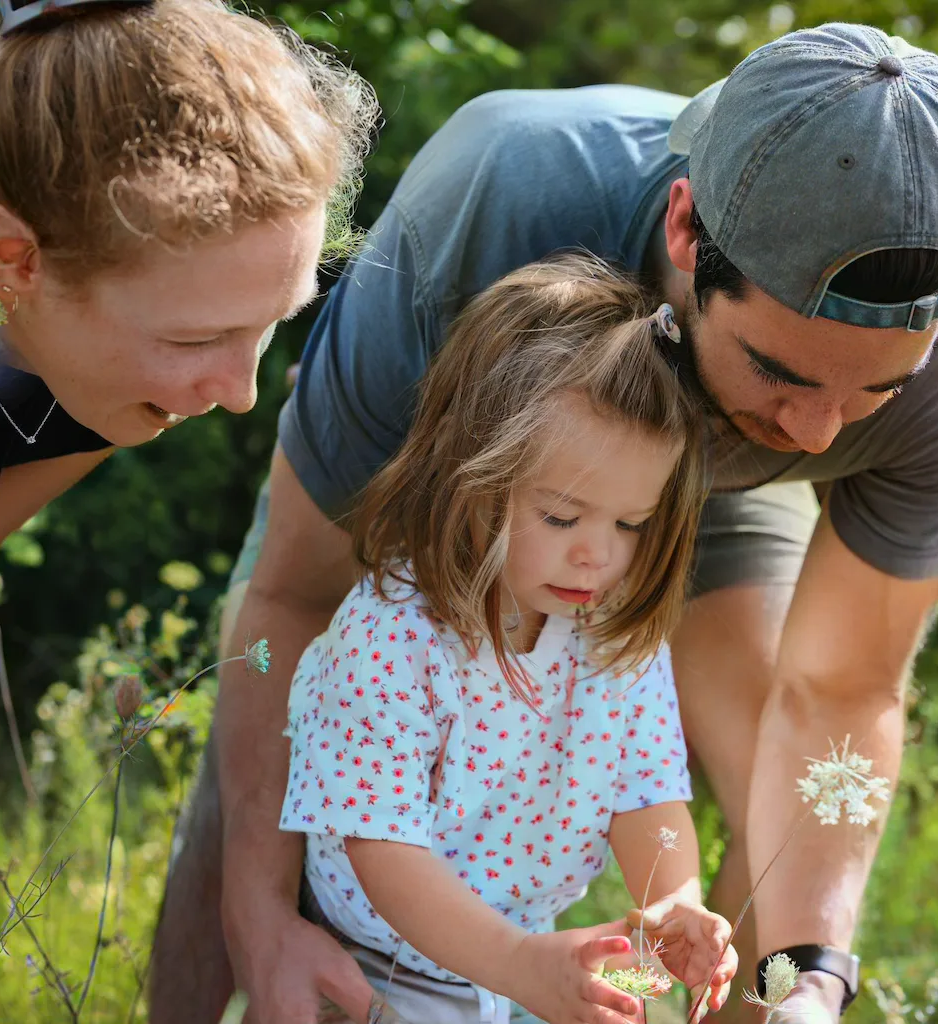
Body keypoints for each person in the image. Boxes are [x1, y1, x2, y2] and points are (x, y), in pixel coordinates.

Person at [152, 22, 938, 1024]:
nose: (814, 438)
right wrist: (258, 913)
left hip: (678, 492)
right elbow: (295, 593)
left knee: (772, 758)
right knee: (260, 813)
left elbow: (839, 690)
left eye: (872, 393)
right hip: (486, 464)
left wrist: (812, 968)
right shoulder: (497, 204)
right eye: (782, 370)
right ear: (685, 230)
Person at [279, 255, 737, 1024]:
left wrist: (672, 902)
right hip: (379, 966)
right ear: (471, 477)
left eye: (631, 523)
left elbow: (645, 792)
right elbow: (383, 850)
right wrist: (520, 967)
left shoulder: (609, 628)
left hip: (528, 955)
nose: (599, 553)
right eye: (562, 516)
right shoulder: (393, 635)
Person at [0, 0, 376, 627]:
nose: (240, 394)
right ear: (12, 259)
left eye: (269, 325)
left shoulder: (102, 385)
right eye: (196, 339)